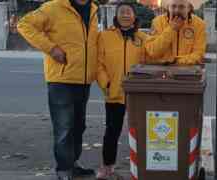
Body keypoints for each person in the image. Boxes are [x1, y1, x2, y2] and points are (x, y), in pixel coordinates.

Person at [17, 0, 99, 178]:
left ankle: (73, 165)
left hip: (83, 79)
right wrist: (51, 48)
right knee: (64, 127)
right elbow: (24, 25)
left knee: (78, 126)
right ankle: (63, 170)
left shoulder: (93, 9)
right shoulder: (53, 7)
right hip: (61, 79)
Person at [94, 2, 151, 179]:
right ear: (116, 16)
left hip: (138, 93)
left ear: (134, 16)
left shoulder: (144, 38)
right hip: (115, 93)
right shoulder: (105, 36)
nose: (125, 15)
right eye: (122, 12)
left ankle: (145, 165)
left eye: (129, 12)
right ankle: (107, 167)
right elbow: (98, 64)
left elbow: (150, 61)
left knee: (143, 131)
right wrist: (107, 84)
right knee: (112, 131)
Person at [147, 0, 206, 65]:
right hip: (161, 70)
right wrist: (172, 29)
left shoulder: (199, 24)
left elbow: (199, 54)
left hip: (188, 70)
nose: (177, 10)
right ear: (168, 7)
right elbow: (152, 51)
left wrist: (175, 61)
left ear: (189, 8)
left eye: (181, 7)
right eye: (173, 6)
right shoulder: (157, 22)